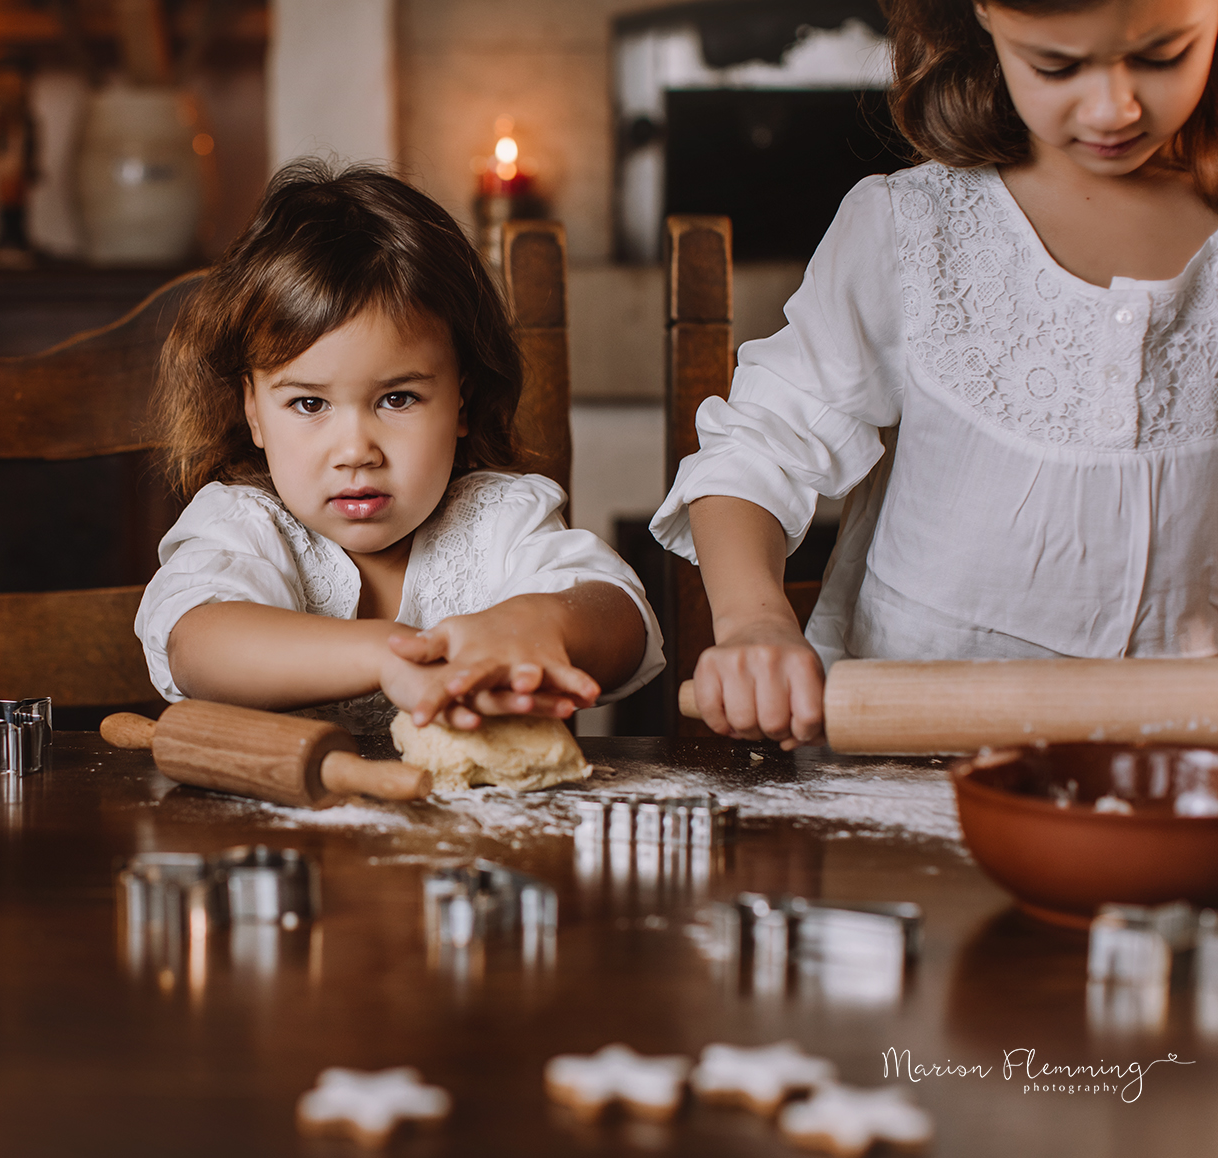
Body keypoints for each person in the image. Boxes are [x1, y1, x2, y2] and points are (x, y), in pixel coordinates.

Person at [651, 0, 1218, 748]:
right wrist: (757, 623)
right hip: (907, 769)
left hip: (1179, 777)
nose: (1115, 106)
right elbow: (759, 449)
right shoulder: (914, 228)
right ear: (984, 17)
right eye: (1056, 64)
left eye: (1163, 55)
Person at [136, 161, 664, 734]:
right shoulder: (246, 526)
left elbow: (624, 624)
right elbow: (196, 644)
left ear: (460, 399)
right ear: (253, 413)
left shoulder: (499, 521)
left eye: (398, 399)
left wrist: (537, 623)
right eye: (310, 404)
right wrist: (386, 653)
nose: (357, 451)